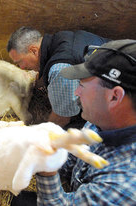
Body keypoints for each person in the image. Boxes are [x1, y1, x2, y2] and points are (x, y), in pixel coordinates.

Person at [12, 39, 136, 205]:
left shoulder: (123, 185)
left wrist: (46, 168)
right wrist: (43, 144)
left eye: (82, 86)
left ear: (114, 97)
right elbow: (73, 159)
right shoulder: (102, 119)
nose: (76, 92)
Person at [7, 27, 110, 129]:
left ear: (33, 51)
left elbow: (62, 118)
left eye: (20, 62)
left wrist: (39, 132)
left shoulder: (59, 70)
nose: (22, 67)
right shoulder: (62, 38)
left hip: (115, 109)